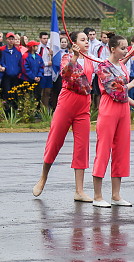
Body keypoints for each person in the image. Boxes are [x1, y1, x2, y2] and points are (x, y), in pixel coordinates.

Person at [33, 31, 96, 202]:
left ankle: (79, 191)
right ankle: (43, 177)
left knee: (82, 148)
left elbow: (111, 66)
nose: (87, 42)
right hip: (67, 103)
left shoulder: (91, 59)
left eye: (87, 39)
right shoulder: (66, 57)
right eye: (82, 40)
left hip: (84, 106)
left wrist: (130, 52)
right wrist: (75, 57)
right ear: (74, 43)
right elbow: (65, 74)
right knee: (54, 142)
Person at [92, 35, 134, 208]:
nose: (126, 51)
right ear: (112, 49)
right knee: (103, 151)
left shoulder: (122, 66)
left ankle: (116, 196)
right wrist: (131, 85)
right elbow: (115, 91)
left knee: (121, 153)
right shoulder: (103, 67)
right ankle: (98, 196)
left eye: (127, 48)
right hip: (109, 110)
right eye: (123, 48)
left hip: (123, 110)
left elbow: (123, 97)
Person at [1, 33, 22, 106]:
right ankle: (7, 109)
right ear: (6, 40)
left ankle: (15, 109)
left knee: (15, 93)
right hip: (6, 76)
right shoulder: (2, 50)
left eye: (12, 39)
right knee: (7, 92)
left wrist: (18, 70)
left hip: (15, 76)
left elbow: (20, 62)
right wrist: (5, 69)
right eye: (9, 39)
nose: (11, 41)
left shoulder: (18, 50)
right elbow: (1, 61)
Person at [37, 32, 53, 108]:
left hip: (49, 73)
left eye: (47, 38)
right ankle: (38, 108)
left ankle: (45, 108)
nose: (46, 40)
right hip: (41, 73)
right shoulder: (38, 48)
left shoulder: (49, 48)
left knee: (47, 91)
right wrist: (46, 63)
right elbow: (37, 61)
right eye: (44, 38)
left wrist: (52, 55)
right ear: (40, 38)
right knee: (39, 91)